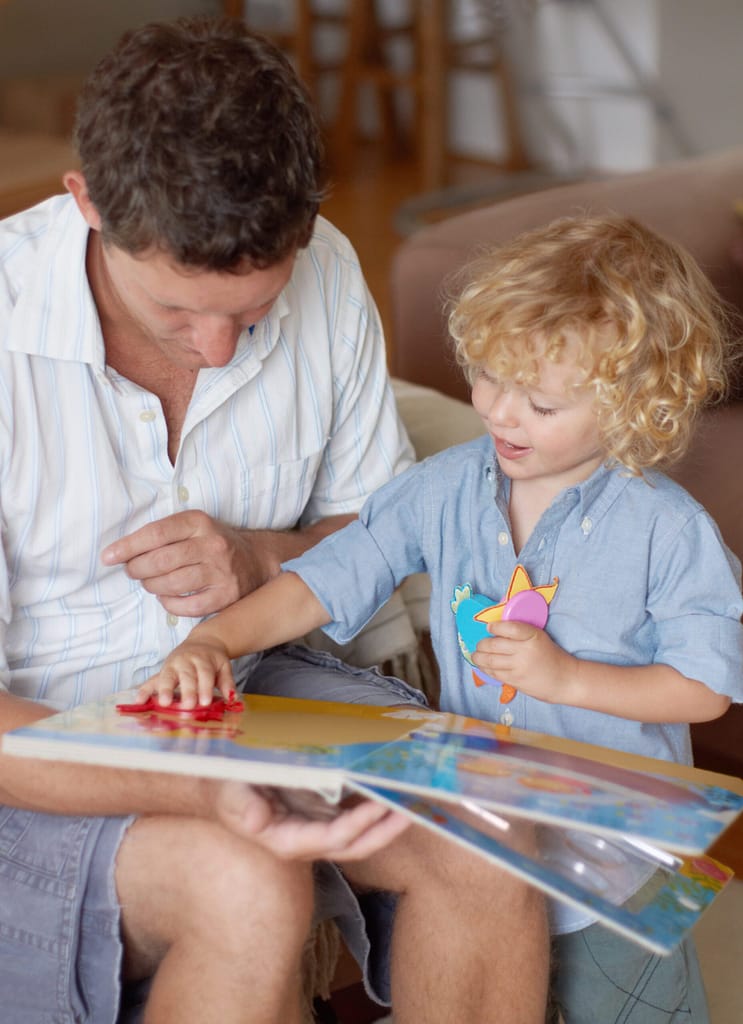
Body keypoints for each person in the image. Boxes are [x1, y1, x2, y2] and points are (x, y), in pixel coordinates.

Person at [0, 15, 550, 1024]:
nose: (216, 351)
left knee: (491, 819)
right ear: (85, 203)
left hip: (248, 694)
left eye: (251, 314)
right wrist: (205, 783)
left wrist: (263, 556)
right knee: (245, 880)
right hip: (36, 751)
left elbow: (377, 537)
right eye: (174, 313)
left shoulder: (329, 269)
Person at [144, 213, 743, 1023]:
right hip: (493, 839)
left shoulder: (667, 530)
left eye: (538, 401)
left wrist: (567, 678)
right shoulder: (447, 487)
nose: (498, 412)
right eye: (489, 377)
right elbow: (326, 579)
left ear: (638, 404)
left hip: (626, 865)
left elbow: (704, 689)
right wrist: (215, 638)